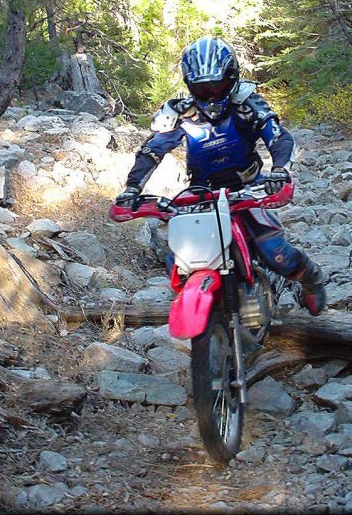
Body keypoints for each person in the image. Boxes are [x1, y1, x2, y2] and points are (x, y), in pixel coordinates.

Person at [115, 36, 327, 315]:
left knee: (276, 253)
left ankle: (310, 278)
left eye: (217, 85)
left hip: (249, 185)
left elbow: (277, 137)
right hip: (201, 192)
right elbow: (153, 150)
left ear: (232, 77)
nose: (211, 93)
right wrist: (132, 188)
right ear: (190, 85)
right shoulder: (180, 113)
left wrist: (280, 171)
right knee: (177, 263)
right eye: (202, 87)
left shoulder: (246, 103)